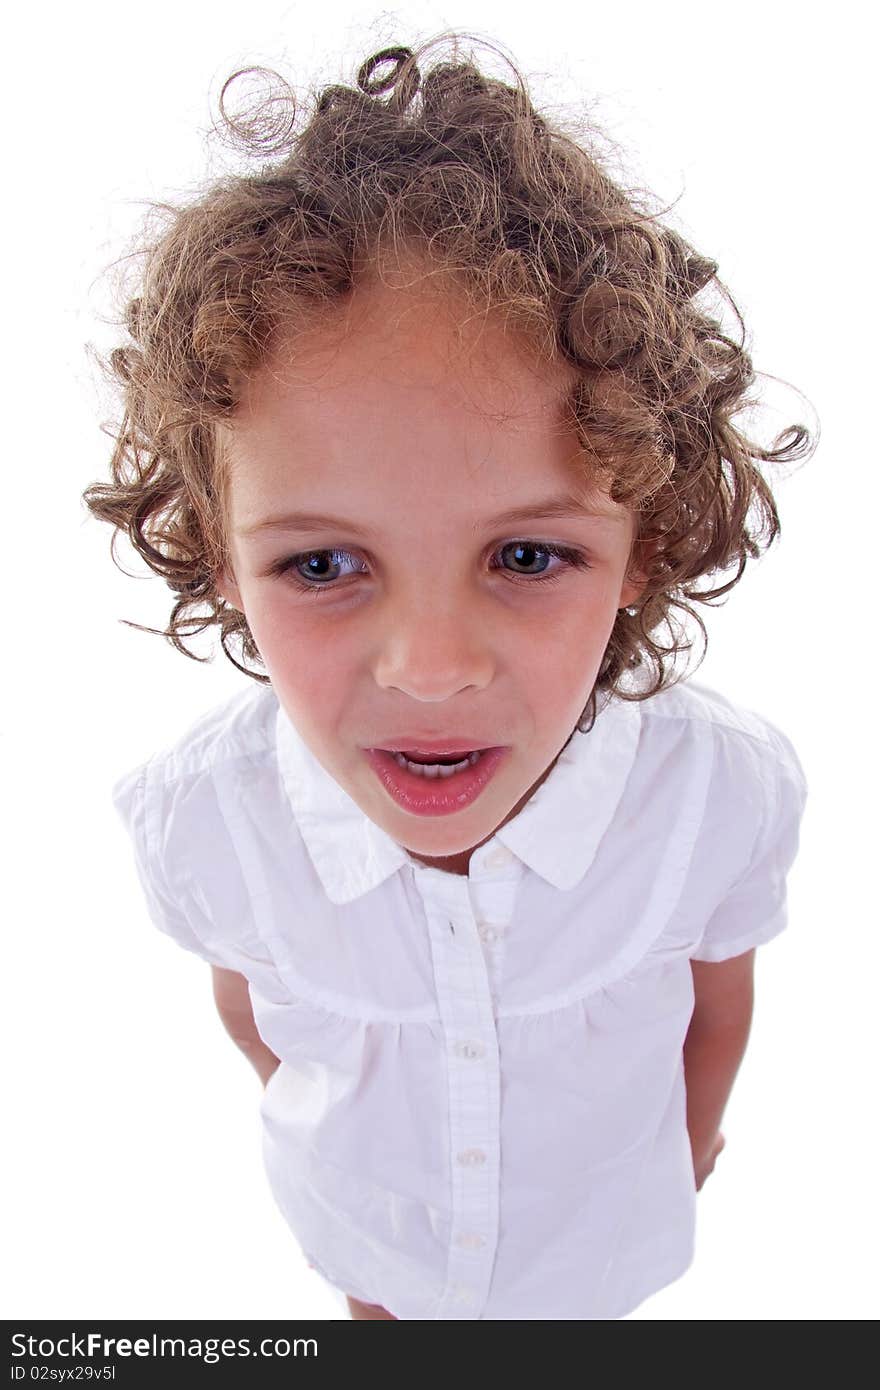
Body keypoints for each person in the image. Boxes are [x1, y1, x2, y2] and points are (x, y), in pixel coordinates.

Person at [82, 32, 814, 1321]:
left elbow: (716, 1014)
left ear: (643, 543)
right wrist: (364, 1204)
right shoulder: (202, 818)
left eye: (528, 554)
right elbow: (257, 1019)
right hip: (374, 1243)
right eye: (322, 565)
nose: (430, 672)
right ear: (217, 551)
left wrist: (687, 1157)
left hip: (590, 1256)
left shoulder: (716, 792)